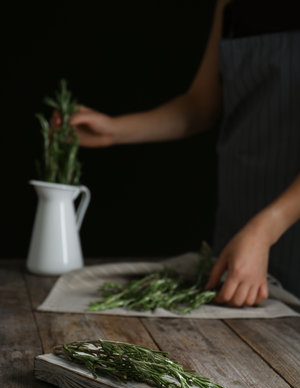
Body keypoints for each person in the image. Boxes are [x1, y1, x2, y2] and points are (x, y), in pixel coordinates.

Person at [55, 0, 300, 306]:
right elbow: (200, 106)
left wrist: (265, 230)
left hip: (281, 228)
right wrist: (112, 130)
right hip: (239, 221)